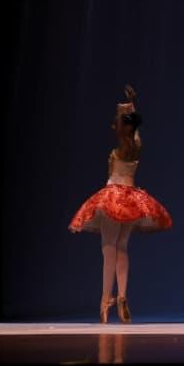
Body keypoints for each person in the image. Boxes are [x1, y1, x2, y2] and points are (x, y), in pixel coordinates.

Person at [69, 85, 173, 323]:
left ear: (123, 126)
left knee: (108, 248)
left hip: (114, 196)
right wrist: (132, 104)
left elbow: (126, 125)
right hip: (132, 197)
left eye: (116, 124)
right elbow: (135, 127)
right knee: (122, 247)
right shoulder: (136, 145)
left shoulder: (123, 146)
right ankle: (123, 296)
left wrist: (126, 108)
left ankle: (105, 300)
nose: (113, 126)